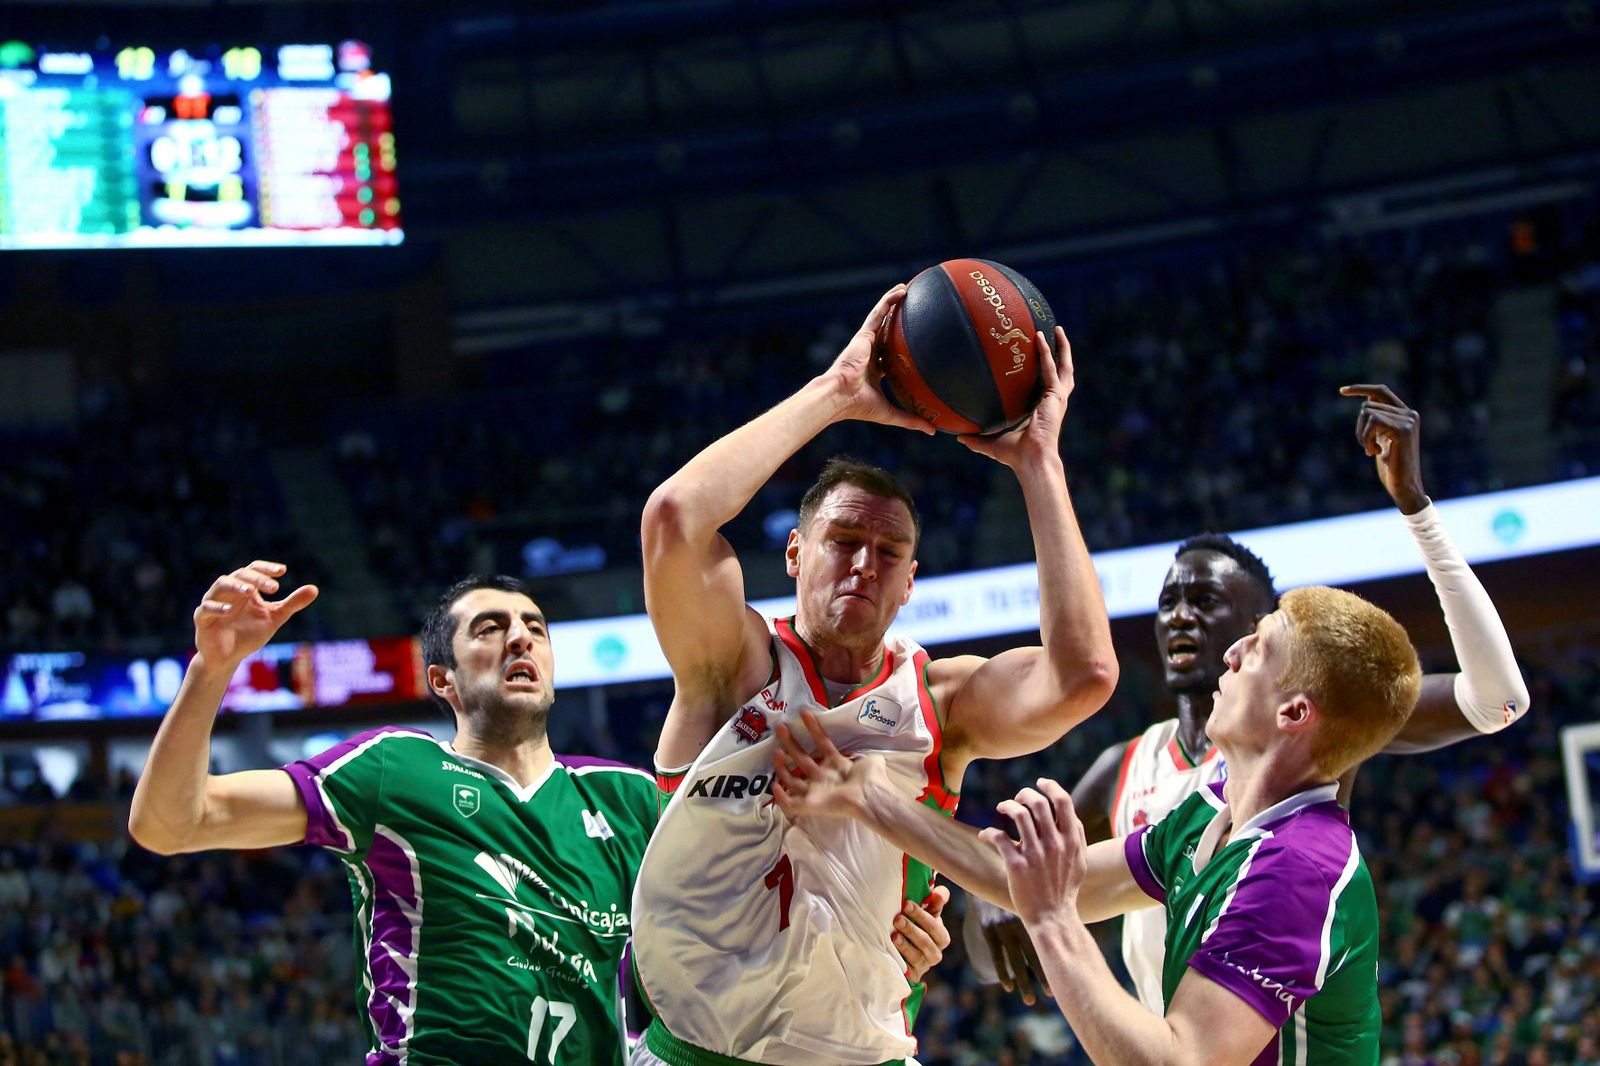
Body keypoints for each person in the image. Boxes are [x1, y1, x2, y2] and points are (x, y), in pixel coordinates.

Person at [128, 566, 950, 1065]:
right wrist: (212, 671)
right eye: (490, 631)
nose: (520, 641)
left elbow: (757, 931)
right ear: (444, 680)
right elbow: (173, 823)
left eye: (534, 629)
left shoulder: (631, 800)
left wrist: (885, 945)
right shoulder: (391, 770)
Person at [629, 285, 1118, 1065]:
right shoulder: (732, 666)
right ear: (795, 555)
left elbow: (1083, 676)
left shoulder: (941, 702)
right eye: (843, 540)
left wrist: (1038, 465)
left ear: (910, 582)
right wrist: (836, 393)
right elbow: (673, 520)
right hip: (699, 1052)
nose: (864, 563)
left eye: (888, 553)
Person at [971, 382, 1533, 1010]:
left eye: (1204, 600)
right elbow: (998, 953)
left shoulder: (1304, 724)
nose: (1180, 616)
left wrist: (1417, 510)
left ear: (1257, 627)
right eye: (1168, 602)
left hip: (1284, 1037)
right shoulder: (1121, 768)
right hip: (1169, 1042)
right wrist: (992, 899)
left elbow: (1497, 702)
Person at [774, 582, 1424, 1063]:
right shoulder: (1214, 809)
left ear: (1293, 714)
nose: (1232, 652)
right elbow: (1043, 882)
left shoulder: (1298, 869)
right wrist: (870, 800)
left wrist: (1052, 920)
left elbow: (1180, 1061)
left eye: (1259, 650)